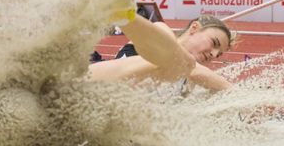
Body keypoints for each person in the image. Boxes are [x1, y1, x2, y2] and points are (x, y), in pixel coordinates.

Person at [89, 13, 234, 92]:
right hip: (88, 88)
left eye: (219, 54)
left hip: (112, 118)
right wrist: (238, 95)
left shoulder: (188, 84)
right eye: (214, 43)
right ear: (194, 28)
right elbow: (180, 60)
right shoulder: (160, 29)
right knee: (180, 62)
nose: (214, 55)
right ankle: (123, 12)